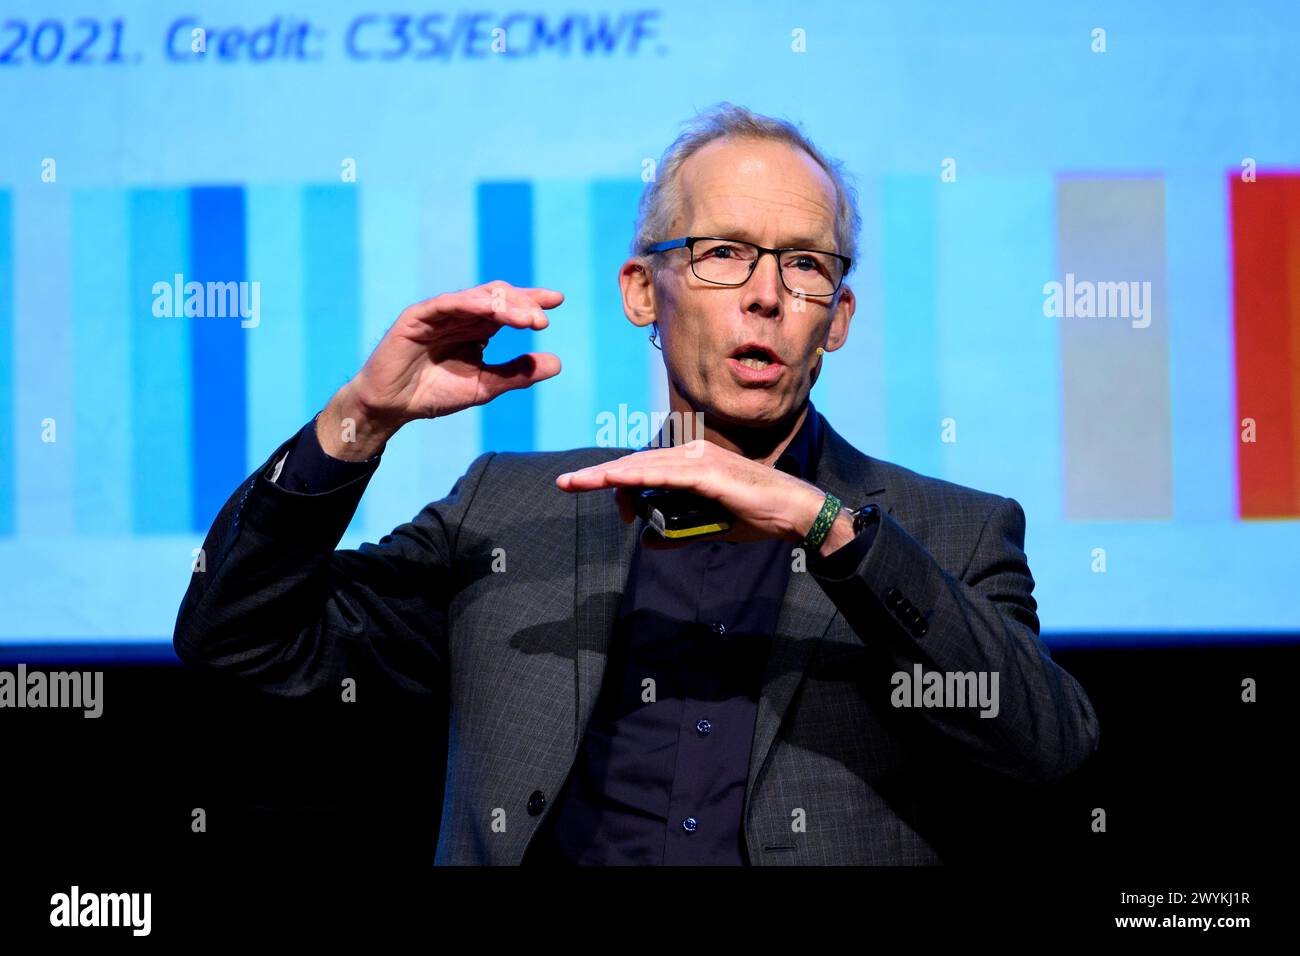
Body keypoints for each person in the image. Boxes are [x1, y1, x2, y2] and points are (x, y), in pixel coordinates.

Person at [173, 102, 1099, 866]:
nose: (767, 294)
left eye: (805, 265)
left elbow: (1048, 748)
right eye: (723, 253)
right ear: (642, 293)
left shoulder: (947, 533)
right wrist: (361, 420)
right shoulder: (508, 509)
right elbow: (240, 635)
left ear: (838, 318)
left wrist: (830, 530)